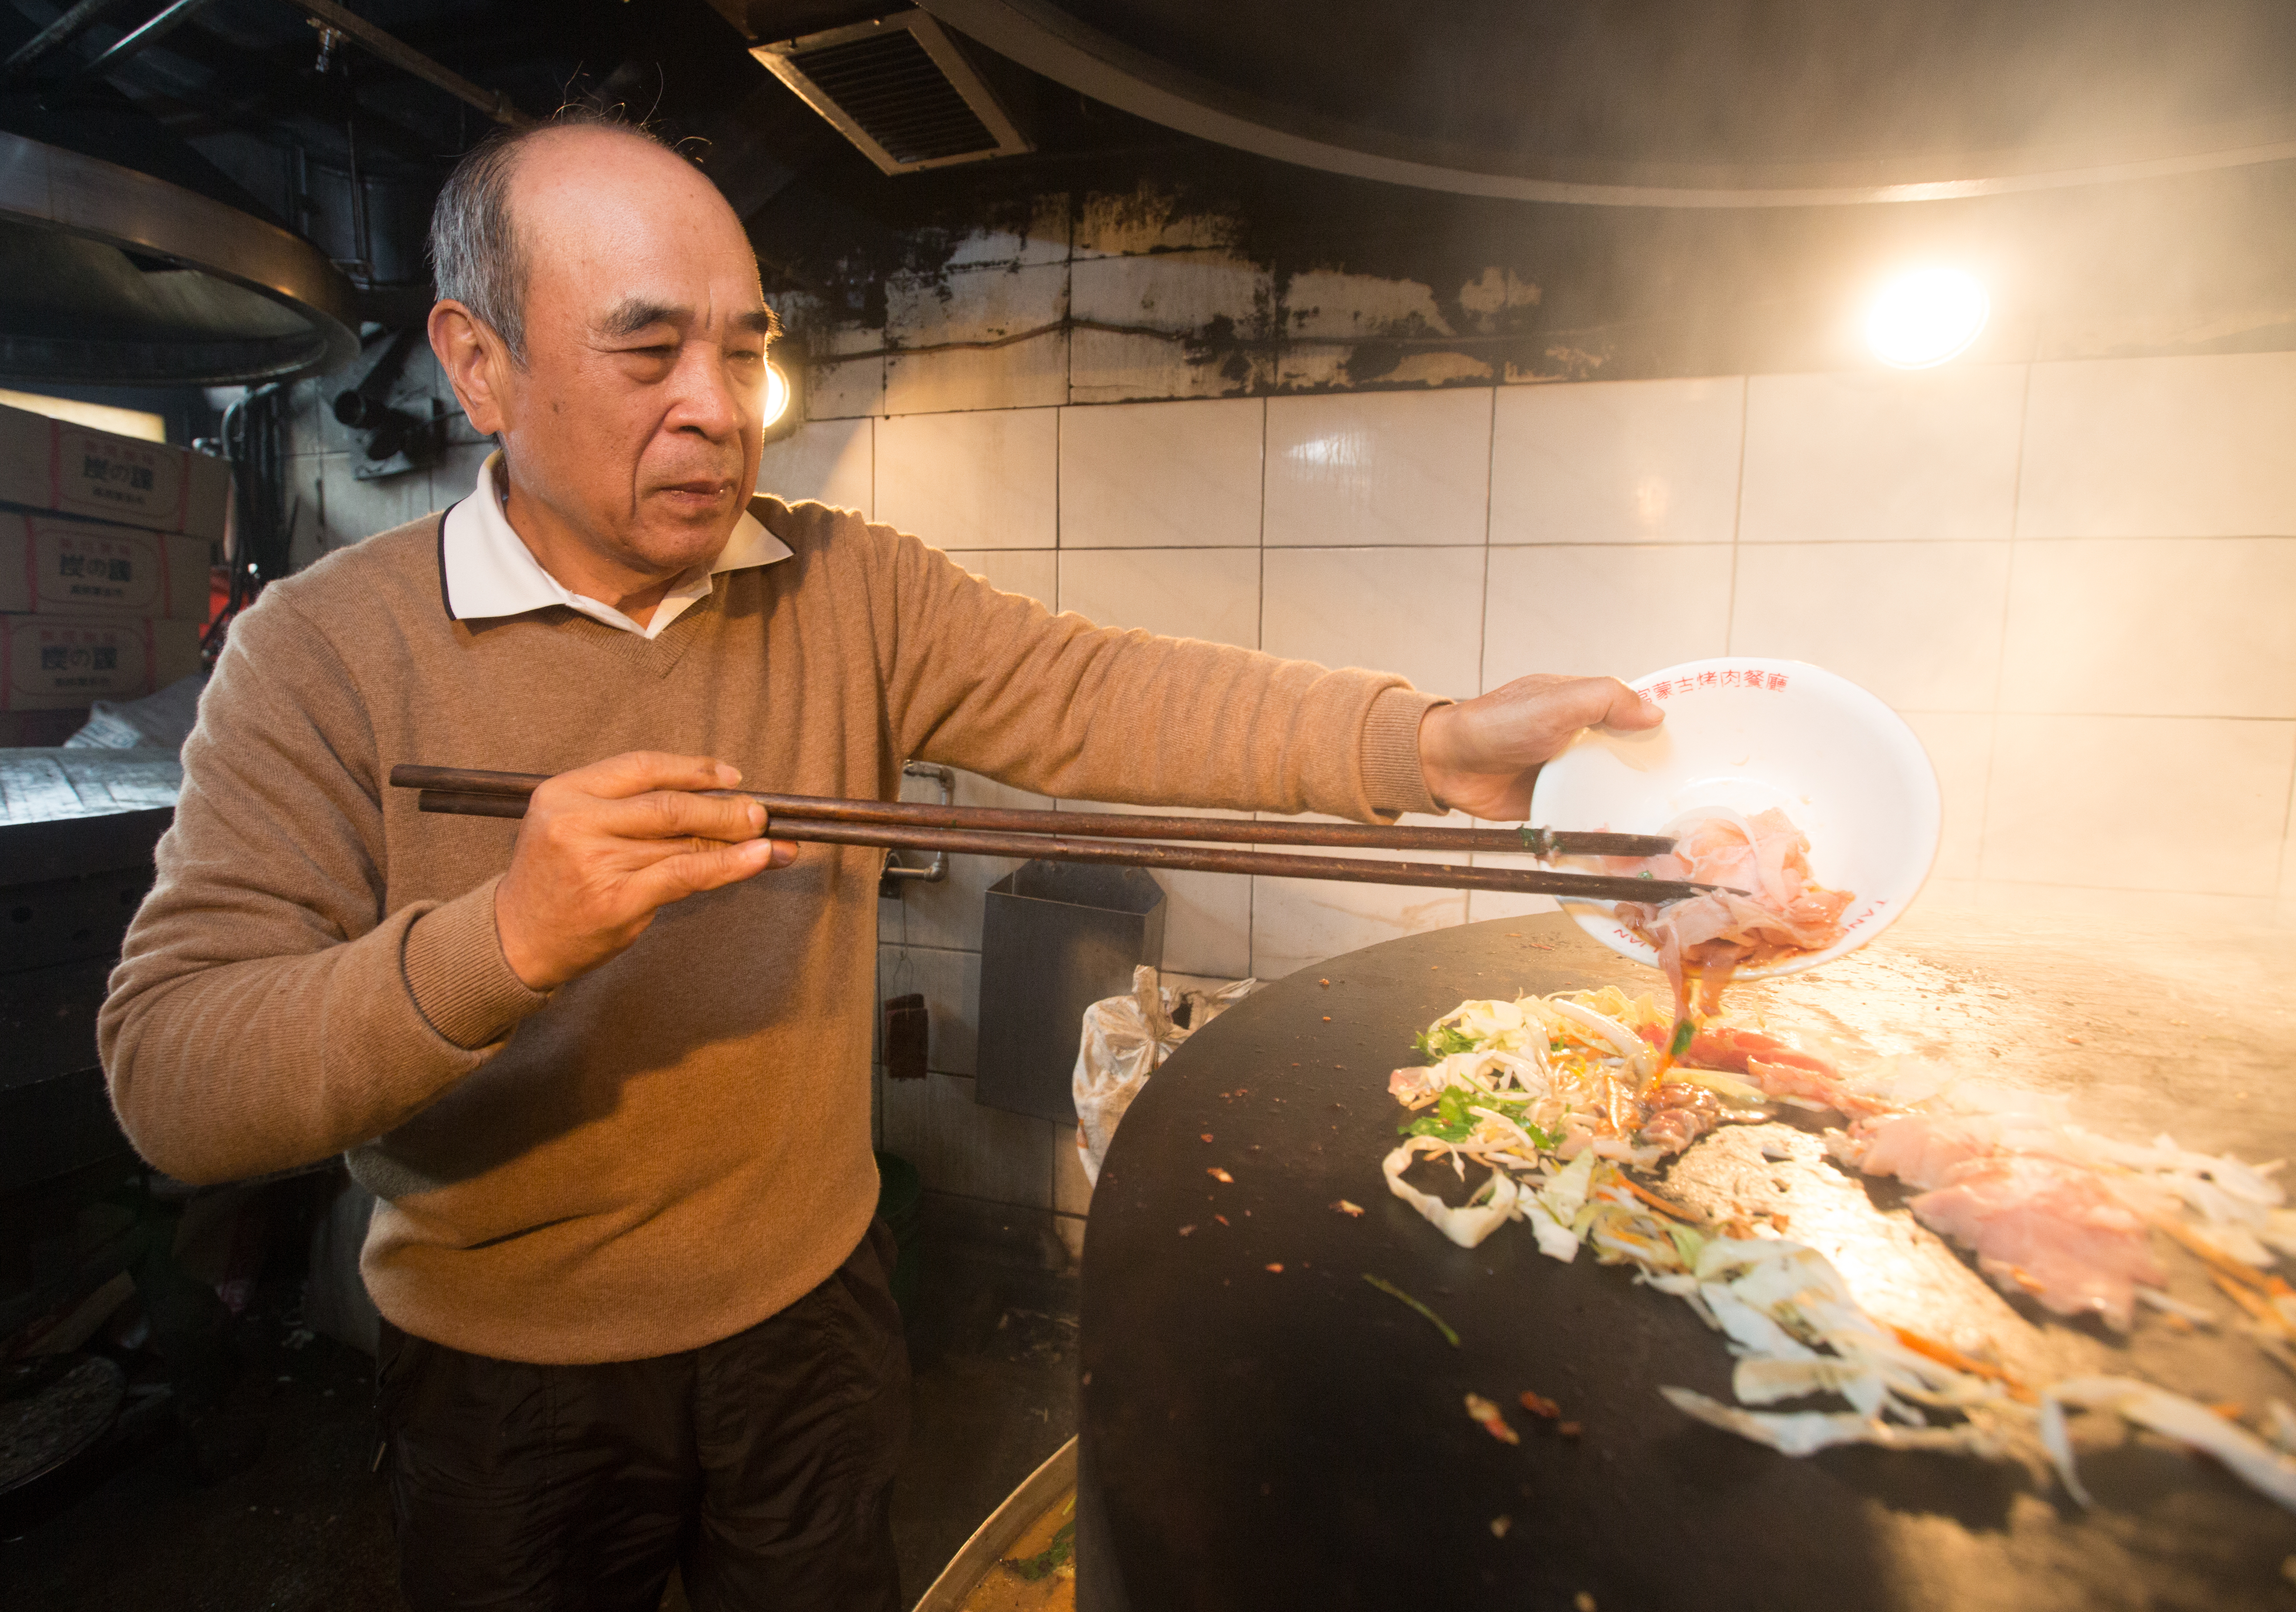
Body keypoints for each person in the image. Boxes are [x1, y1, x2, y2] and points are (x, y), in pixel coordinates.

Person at [98, 107, 1662, 1612]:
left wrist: (1430, 741)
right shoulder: (324, 653)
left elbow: (1109, 691)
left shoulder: (846, 587)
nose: (717, 405)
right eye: (649, 350)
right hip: (505, 1374)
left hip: (812, 1318)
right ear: (478, 365)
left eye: (747, 347)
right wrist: (501, 937)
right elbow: (174, 1069)